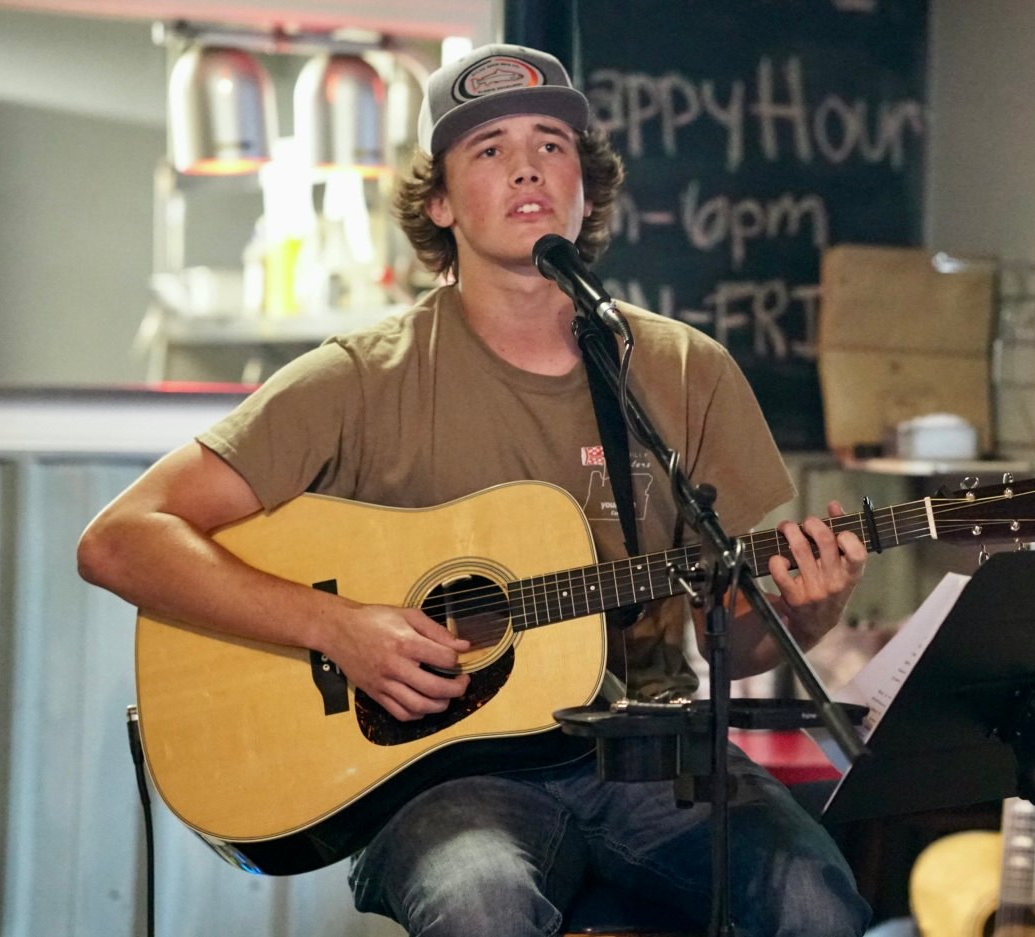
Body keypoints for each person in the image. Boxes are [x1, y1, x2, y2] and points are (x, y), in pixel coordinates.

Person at [77, 42, 872, 937]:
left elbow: (726, 638)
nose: (527, 164)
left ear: (585, 185)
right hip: (442, 774)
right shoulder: (360, 379)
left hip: (652, 751)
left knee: (817, 901)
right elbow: (120, 538)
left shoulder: (684, 370)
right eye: (489, 148)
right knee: (479, 907)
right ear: (441, 202)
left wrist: (800, 615)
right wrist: (337, 626)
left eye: (552, 144)